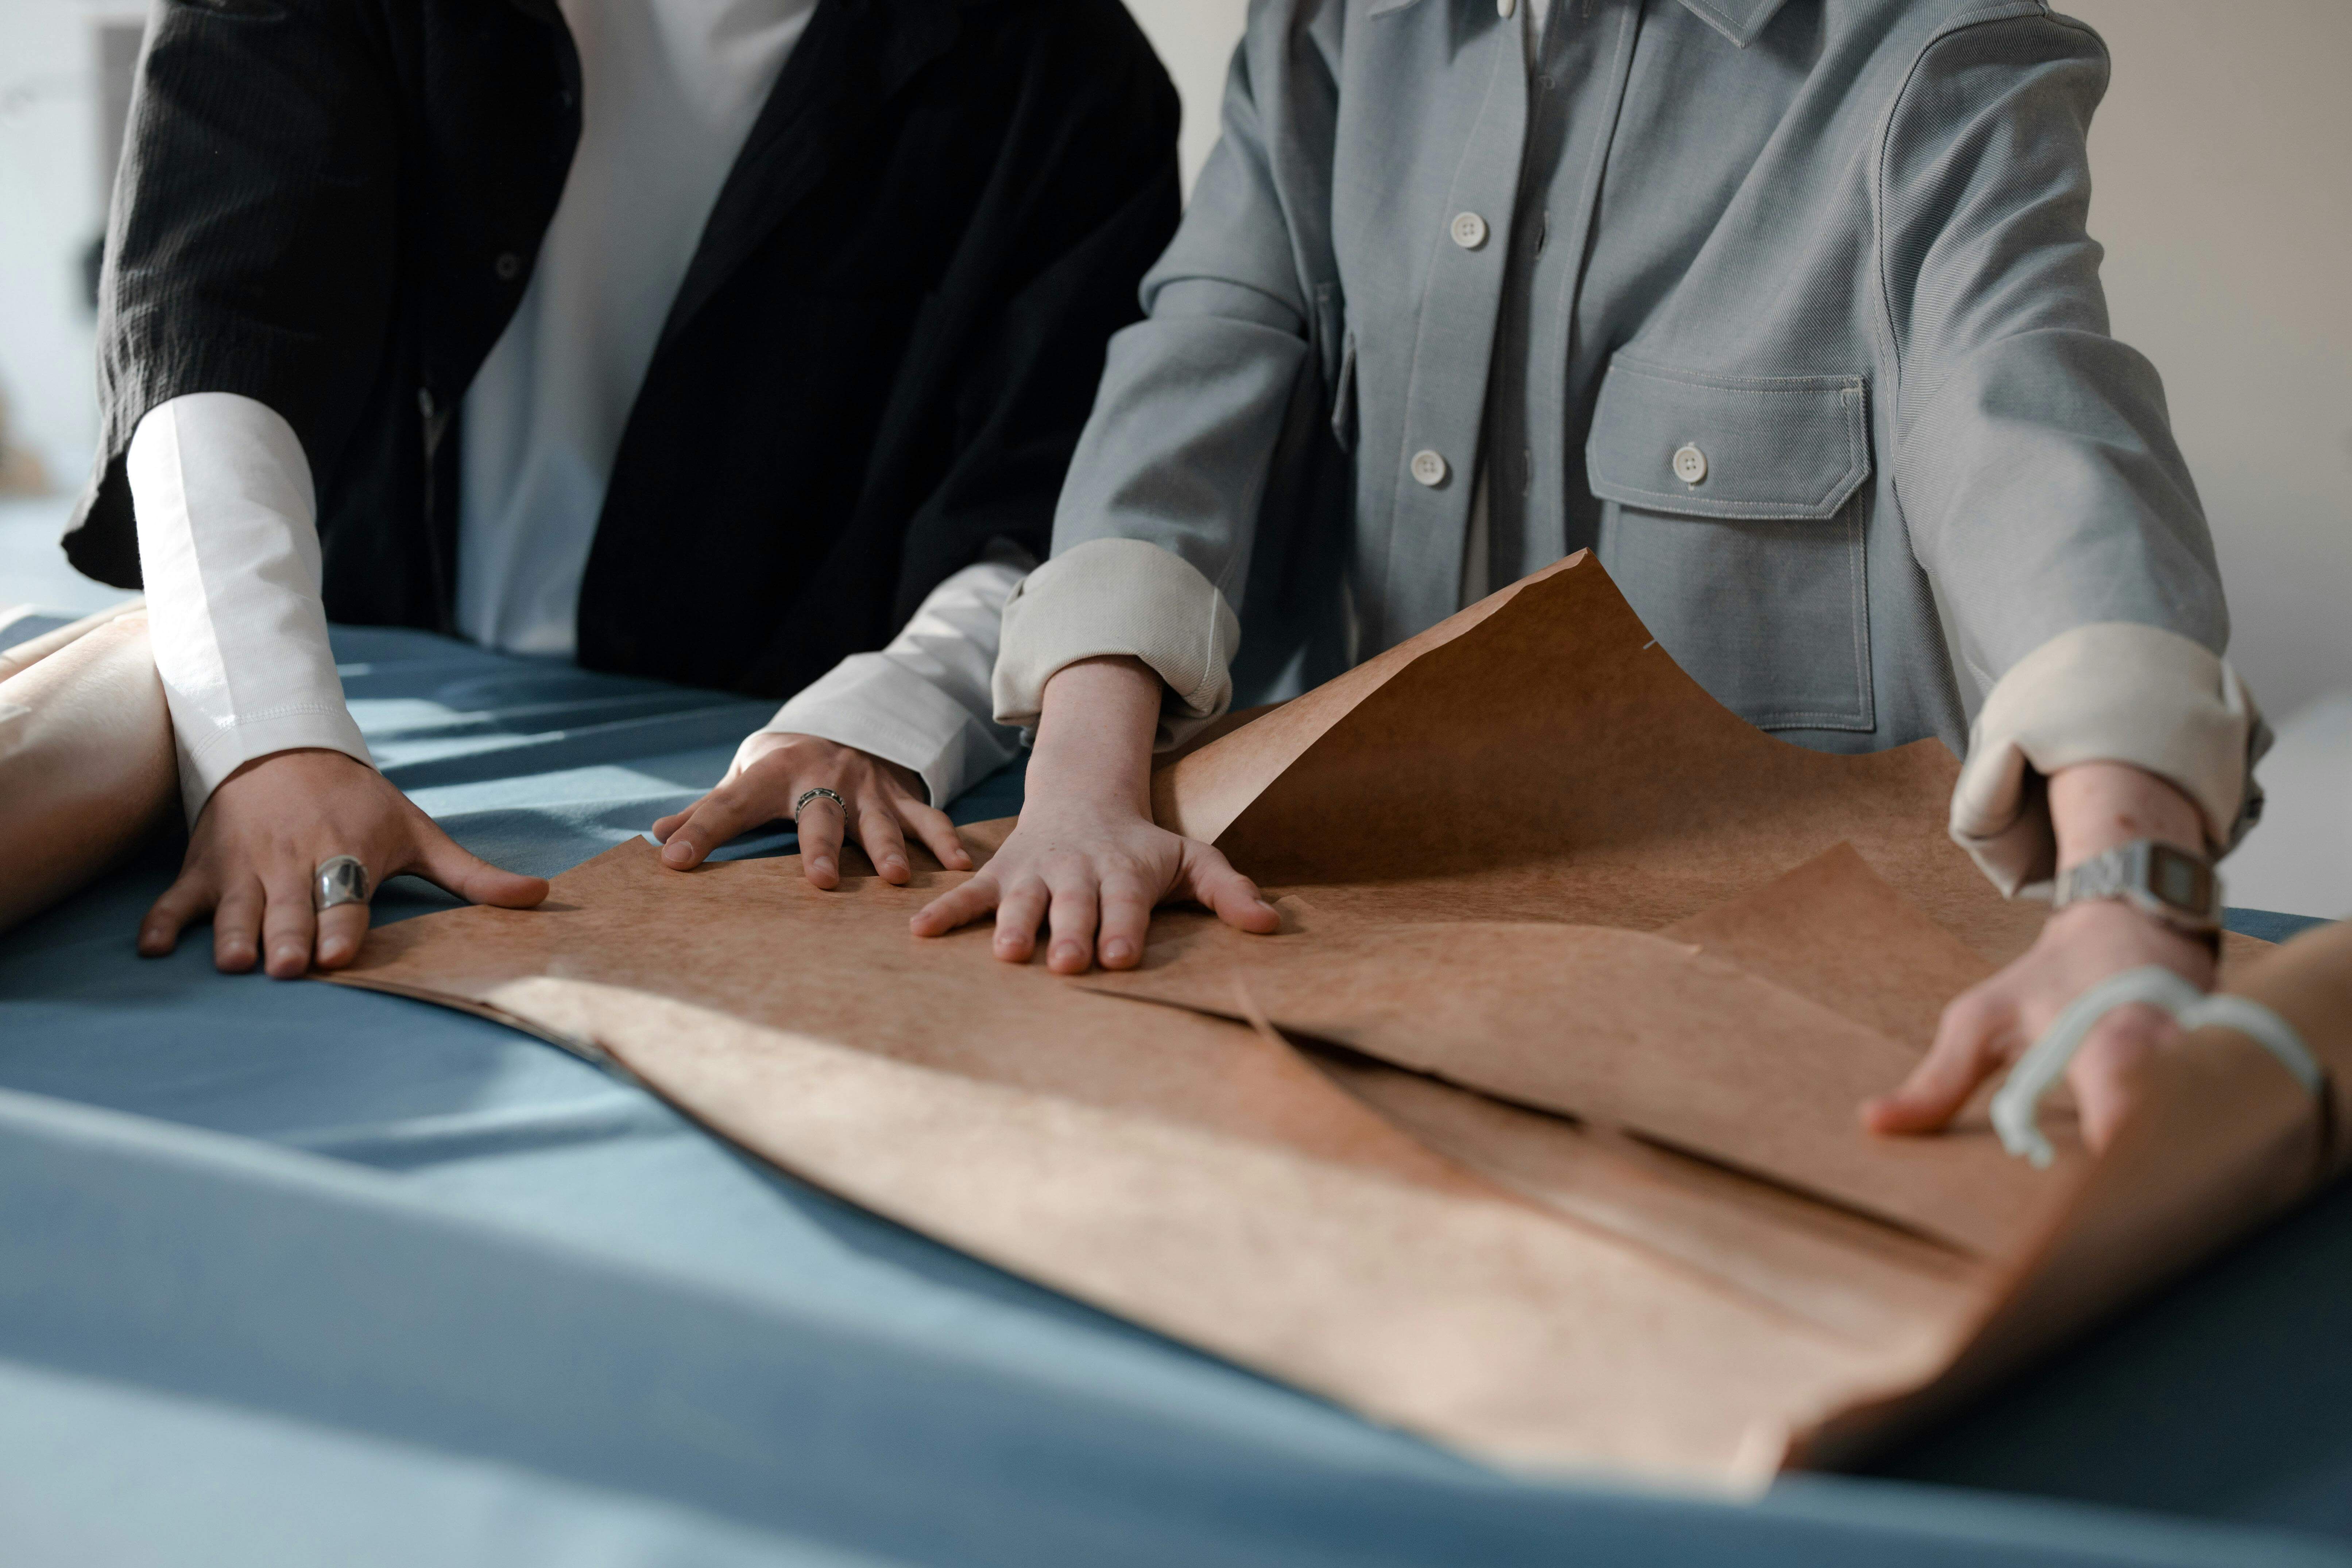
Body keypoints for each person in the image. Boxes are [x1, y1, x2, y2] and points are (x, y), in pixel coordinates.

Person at [904, 0, 2269, 1148]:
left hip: (1796, 1022)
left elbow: (2024, 420)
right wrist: (1082, 778)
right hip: (1335, 957)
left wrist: (2129, 885)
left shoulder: (1927, 56)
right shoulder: (1328, 31)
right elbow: (1201, 369)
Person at [70, 0, 1178, 979]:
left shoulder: (1067, 66)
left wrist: (888, 717)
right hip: (366, 652)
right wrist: (266, 732)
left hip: (779, 725)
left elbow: (1042, 493)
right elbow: (211, 315)